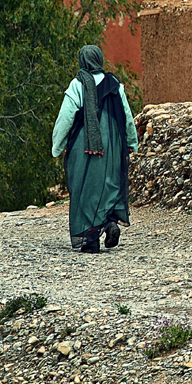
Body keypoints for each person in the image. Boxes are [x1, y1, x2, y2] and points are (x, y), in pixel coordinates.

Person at [51, 45, 139, 253]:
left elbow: (65, 118)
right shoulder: (115, 84)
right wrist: (131, 142)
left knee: (85, 188)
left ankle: (90, 238)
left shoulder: (77, 85)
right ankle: (109, 224)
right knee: (108, 185)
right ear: (99, 60)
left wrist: (58, 146)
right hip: (112, 146)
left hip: (85, 146)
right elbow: (126, 117)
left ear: (82, 62)